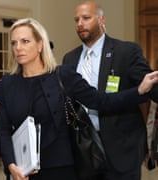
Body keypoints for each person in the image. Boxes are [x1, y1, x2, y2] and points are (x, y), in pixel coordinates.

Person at [0, 17, 158, 180]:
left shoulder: (64, 75)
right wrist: (11, 165)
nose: (18, 48)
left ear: (40, 45)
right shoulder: (7, 84)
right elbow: (3, 131)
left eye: (25, 41)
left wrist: (138, 91)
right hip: (22, 171)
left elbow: (100, 101)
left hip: (61, 168)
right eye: (14, 43)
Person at [62, 1, 158, 180]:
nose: (80, 24)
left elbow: (151, 86)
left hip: (122, 152)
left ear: (101, 20)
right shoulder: (70, 59)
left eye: (86, 18)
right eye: (76, 20)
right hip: (84, 152)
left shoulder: (126, 52)